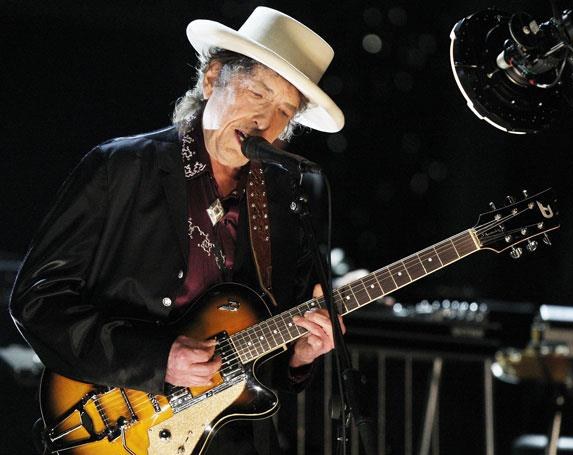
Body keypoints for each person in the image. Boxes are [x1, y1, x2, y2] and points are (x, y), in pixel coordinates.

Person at [10, 7, 345, 454]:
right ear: (213, 79)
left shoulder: (284, 205)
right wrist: (156, 358)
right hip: (114, 426)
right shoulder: (121, 168)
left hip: (227, 442)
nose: (265, 122)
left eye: (284, 111)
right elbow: (37, 301)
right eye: (257, 93)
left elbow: (263, 360)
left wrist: (301, 356)